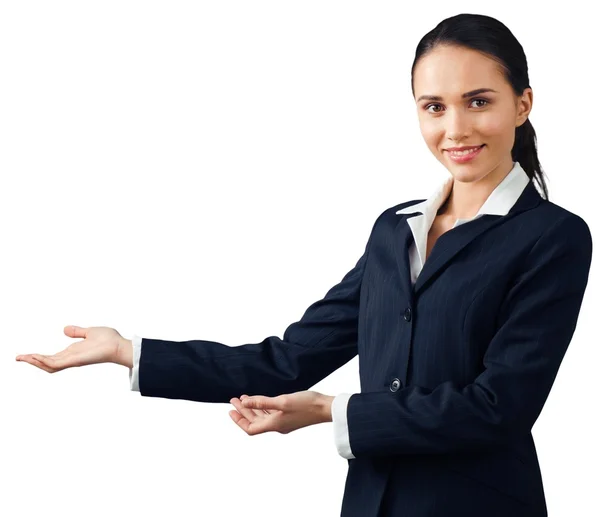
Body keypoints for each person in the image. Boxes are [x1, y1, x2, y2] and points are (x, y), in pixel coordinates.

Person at [15, 13, 593, 517]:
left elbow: (499, 409)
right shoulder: (395, 230)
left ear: (523, 103)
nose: (455, 129)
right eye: (433, 107)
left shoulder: (553, 238)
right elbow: (290, 360)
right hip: (371, 503)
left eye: (479, 101)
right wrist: (129, 351)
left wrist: (332, 412)